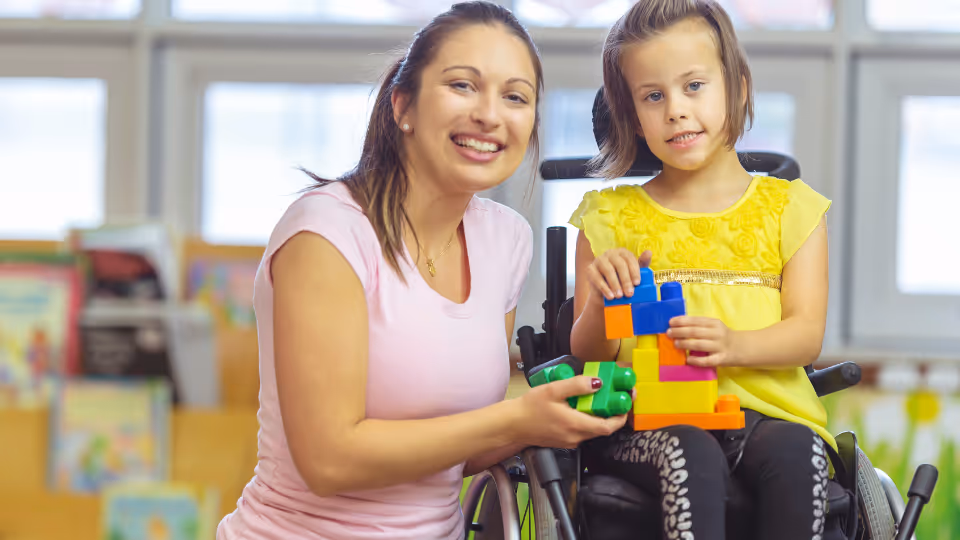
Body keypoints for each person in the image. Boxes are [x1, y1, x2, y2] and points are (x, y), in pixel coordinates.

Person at [216, 2, 626, 539]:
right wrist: (516, 418)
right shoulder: (327, 233)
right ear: (402, 105)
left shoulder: (504, 240)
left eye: (515, 96)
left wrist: (560, 411)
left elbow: (459, 448)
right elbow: (328, 460)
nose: (489, 114)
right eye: (462, 86)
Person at [568, 1, 833, 539]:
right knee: (690, 451)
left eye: (694, 86)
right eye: (653, 96)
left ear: (736, 87)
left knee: (798, 451)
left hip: (768, 415)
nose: (675, 111)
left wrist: (734, 345)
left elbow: (806, 336)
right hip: (648, 419)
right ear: (632, 114)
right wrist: (600, 297)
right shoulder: (609, 218)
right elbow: (587, 353)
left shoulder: (792, 210)